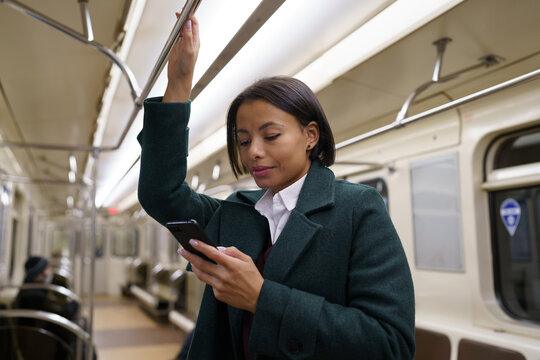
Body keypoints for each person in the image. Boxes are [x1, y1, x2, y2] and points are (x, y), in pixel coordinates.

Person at [138, 15, 415, 359]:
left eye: (270, 136)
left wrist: (261, 298)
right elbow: (160, 193)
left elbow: (390, 344)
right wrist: (179, 82)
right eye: (243, 140)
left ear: (310, 136)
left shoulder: (357, 209)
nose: (253, 151)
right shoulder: (236, 212)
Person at [14, 256, 79, 321]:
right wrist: (75, 304)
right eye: (48, 268)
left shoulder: (28, 288)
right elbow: (66, 312)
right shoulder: (34, 296)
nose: (50, 271)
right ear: (39, 274)